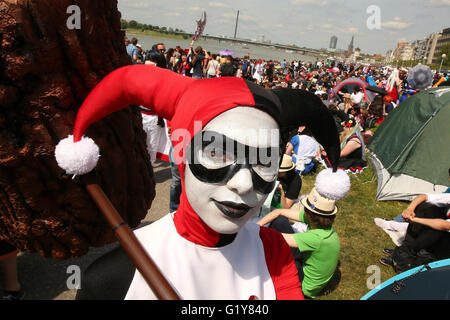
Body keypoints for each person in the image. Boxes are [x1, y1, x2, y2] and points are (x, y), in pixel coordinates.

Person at [53, 65, 342, 300]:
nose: (243, 183)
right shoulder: (116, 277)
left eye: (264, 161)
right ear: (181, 156)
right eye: (216, 152)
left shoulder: (274, 251)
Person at [257, 168, 351, 299]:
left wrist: (252, 230)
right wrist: (257, 226)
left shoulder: (316, 238)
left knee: (274, 251)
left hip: (305, 287)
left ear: (309, 214)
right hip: (308, 264)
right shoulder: (321, 225)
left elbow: (275, 238)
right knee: (280, 221)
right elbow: (280, 212)